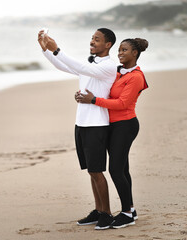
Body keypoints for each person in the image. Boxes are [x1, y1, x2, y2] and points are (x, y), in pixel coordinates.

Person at [37, 28, 117, 230]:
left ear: (108, 45)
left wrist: (58, 49)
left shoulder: (108, 66)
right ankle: (98, 210)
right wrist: (46, 50)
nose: (92, 41)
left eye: (97, 39)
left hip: (97, 125)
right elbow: (64, 66)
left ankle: (106, 214)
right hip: (81, 123)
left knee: (97, 171)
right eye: (92, 38)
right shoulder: (89, 64)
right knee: (91, 171)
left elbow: (76, 64)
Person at [75, 38, 149, 229]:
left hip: (125, 125)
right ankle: (130, 209)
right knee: (122, 169)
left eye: (125, 50)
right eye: (119, 50)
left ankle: (126, 213)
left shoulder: (136, 77)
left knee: (116, 169)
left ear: (135, 53)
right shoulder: (118, 71)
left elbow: (122, 103)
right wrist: (84, 94)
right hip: (111, 125)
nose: (120, 53)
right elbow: (103, 88)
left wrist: (94, 100)